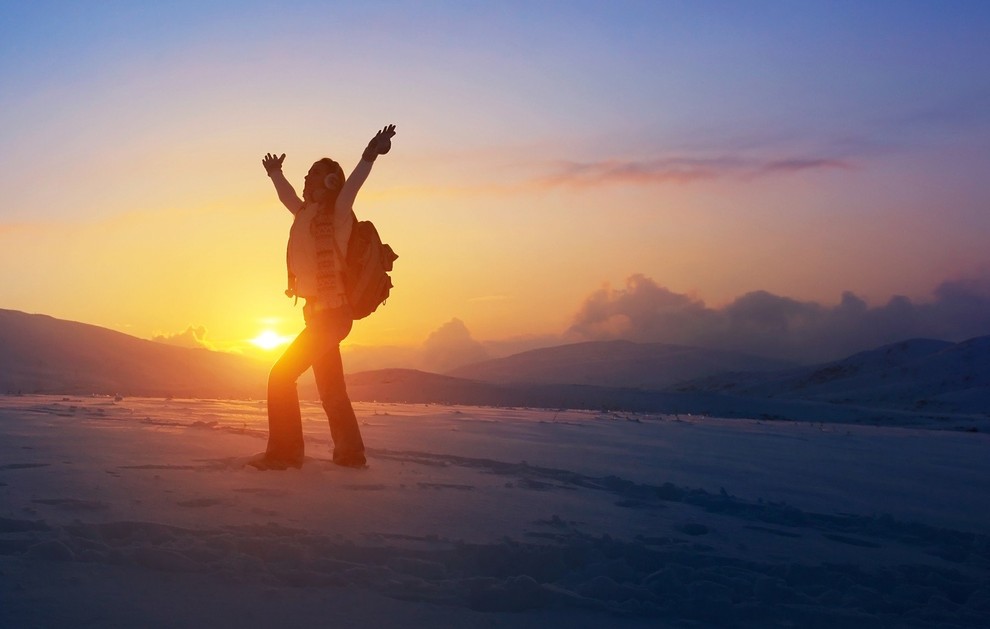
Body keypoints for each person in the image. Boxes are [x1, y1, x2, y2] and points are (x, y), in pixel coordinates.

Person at [249, 124, 396, 470]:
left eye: (314, 174)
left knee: (281, 376)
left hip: (333, 316)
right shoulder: (304, 213)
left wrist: (369, 154)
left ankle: (285, 453)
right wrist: (275, 173)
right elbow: (287, 197)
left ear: (330, 183)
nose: (306, 178)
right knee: (332, 391)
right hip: (315, 316)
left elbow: (355, 184)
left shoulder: (339, 212)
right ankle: (351, 455)